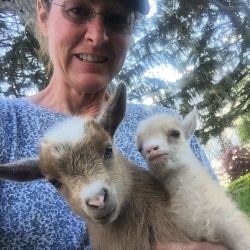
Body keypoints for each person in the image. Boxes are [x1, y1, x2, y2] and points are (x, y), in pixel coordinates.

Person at [0, 0, 227, 249]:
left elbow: (222, 224)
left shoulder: (166, 127)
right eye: (77, 10)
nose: (97, 36)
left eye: (117, 18)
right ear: (43, 14)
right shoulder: (7, 122)